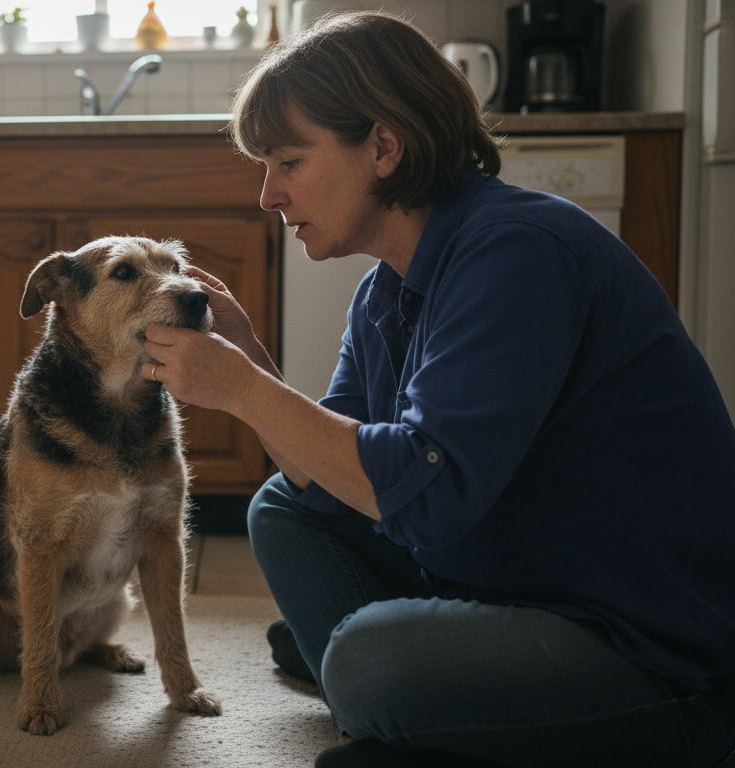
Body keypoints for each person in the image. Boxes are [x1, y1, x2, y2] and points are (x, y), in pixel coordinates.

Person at [142, 11, 735, 768]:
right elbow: (331, 481)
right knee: (285, 510)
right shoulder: (384, 291)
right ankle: (421, 697)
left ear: (383, 147)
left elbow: (430, 490)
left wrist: (246, 392)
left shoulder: (518, 254)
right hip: (513, 580)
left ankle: (399, 692)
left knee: (365, 663)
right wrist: (250, 361)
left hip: (650, 647)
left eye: (288, 162)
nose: (269, 196)